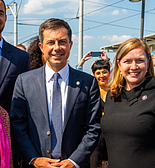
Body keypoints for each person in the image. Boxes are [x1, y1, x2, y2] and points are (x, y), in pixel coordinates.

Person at [10, 18, 101, 168]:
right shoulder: (24, 81)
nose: (56, 48)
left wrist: (74, 161)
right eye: (50, 42)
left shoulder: (88, 83)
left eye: (62, 42)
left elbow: (93, 128)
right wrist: (34, 159)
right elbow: (18, 125)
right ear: (41, 46)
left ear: (70, 45)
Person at [101, 38, 155, 168]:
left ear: (148, 63)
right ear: (119, 64)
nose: (133, 67)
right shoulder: (113, 95)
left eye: (140, 61)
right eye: (127, 61)